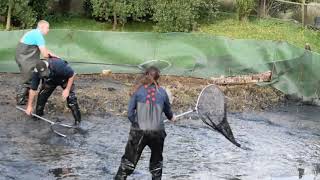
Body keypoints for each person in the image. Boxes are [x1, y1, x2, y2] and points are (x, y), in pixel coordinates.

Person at [114, 66, 175, 180]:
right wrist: (172, 117)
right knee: (156, 165)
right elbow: (168, 113)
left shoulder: (138, 90)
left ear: (145, 75)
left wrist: (137, 124)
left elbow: (130, 114)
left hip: (139, 131)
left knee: (128, 162)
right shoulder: (162, 92)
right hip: (157, 132)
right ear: (158, 78)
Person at [25, 58, 81, 125]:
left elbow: (72, 74)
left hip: (64, 79)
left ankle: (77, 122)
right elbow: (33, 89)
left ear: (47, 67)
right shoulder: (36, 72)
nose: (44, 74)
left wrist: (67, 89)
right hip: (50, 80)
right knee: (42, 96)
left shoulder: (59, 65)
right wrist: (29, 106)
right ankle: (38, 115)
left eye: (45, 72)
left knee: (71, 99)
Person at [16, 20, 58, 105]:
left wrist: (55, 56)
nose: (48, 30)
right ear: (42, 27)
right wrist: (54, 58)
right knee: (28, 78)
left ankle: (27, 97)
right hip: (25, 57)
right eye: (47, 28)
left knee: (32, 75)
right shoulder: (38, 35)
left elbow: (45, 50)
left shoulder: (34, 33)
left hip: (25, 56)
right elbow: (45, 54)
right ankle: (20, 99)